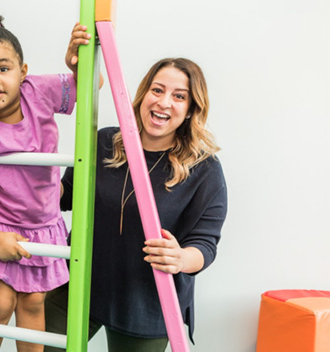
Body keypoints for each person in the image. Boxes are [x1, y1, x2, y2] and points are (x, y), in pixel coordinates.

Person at [44, 58, 228, 352]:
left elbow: (205, 244)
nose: (164, 102)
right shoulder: (105, 141)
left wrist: (181, 258)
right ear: (143, 94)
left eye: (179, 96)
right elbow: (64, 196)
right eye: (157, 90)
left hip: (146, 302)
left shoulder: (203, 169)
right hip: (79, 285)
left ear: (192, 108)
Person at [0, 5, 94, 352]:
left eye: (3, 68)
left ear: (23, 72)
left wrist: (76, 66)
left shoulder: (38, 91)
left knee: (33, 305)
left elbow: (91, 86)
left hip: (43, 223)